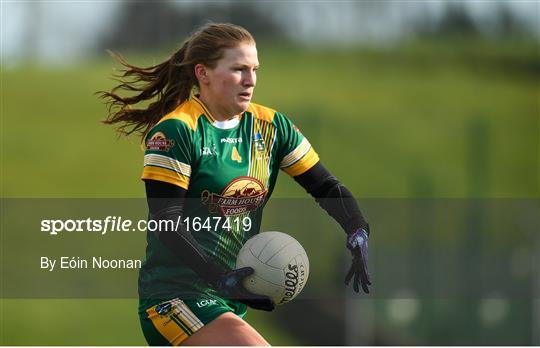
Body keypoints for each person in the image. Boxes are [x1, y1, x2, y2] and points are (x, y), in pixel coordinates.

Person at [100, 23, 371, 346]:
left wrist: (355, 228)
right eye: (239, 69)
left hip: (228, 301)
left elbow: (325, 186)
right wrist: (217, 277)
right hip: (175, 299)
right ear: (204, 73)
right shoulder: (176, 132)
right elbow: (166, 222)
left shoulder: (271, 127)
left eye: (254, 69)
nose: (251, 80)